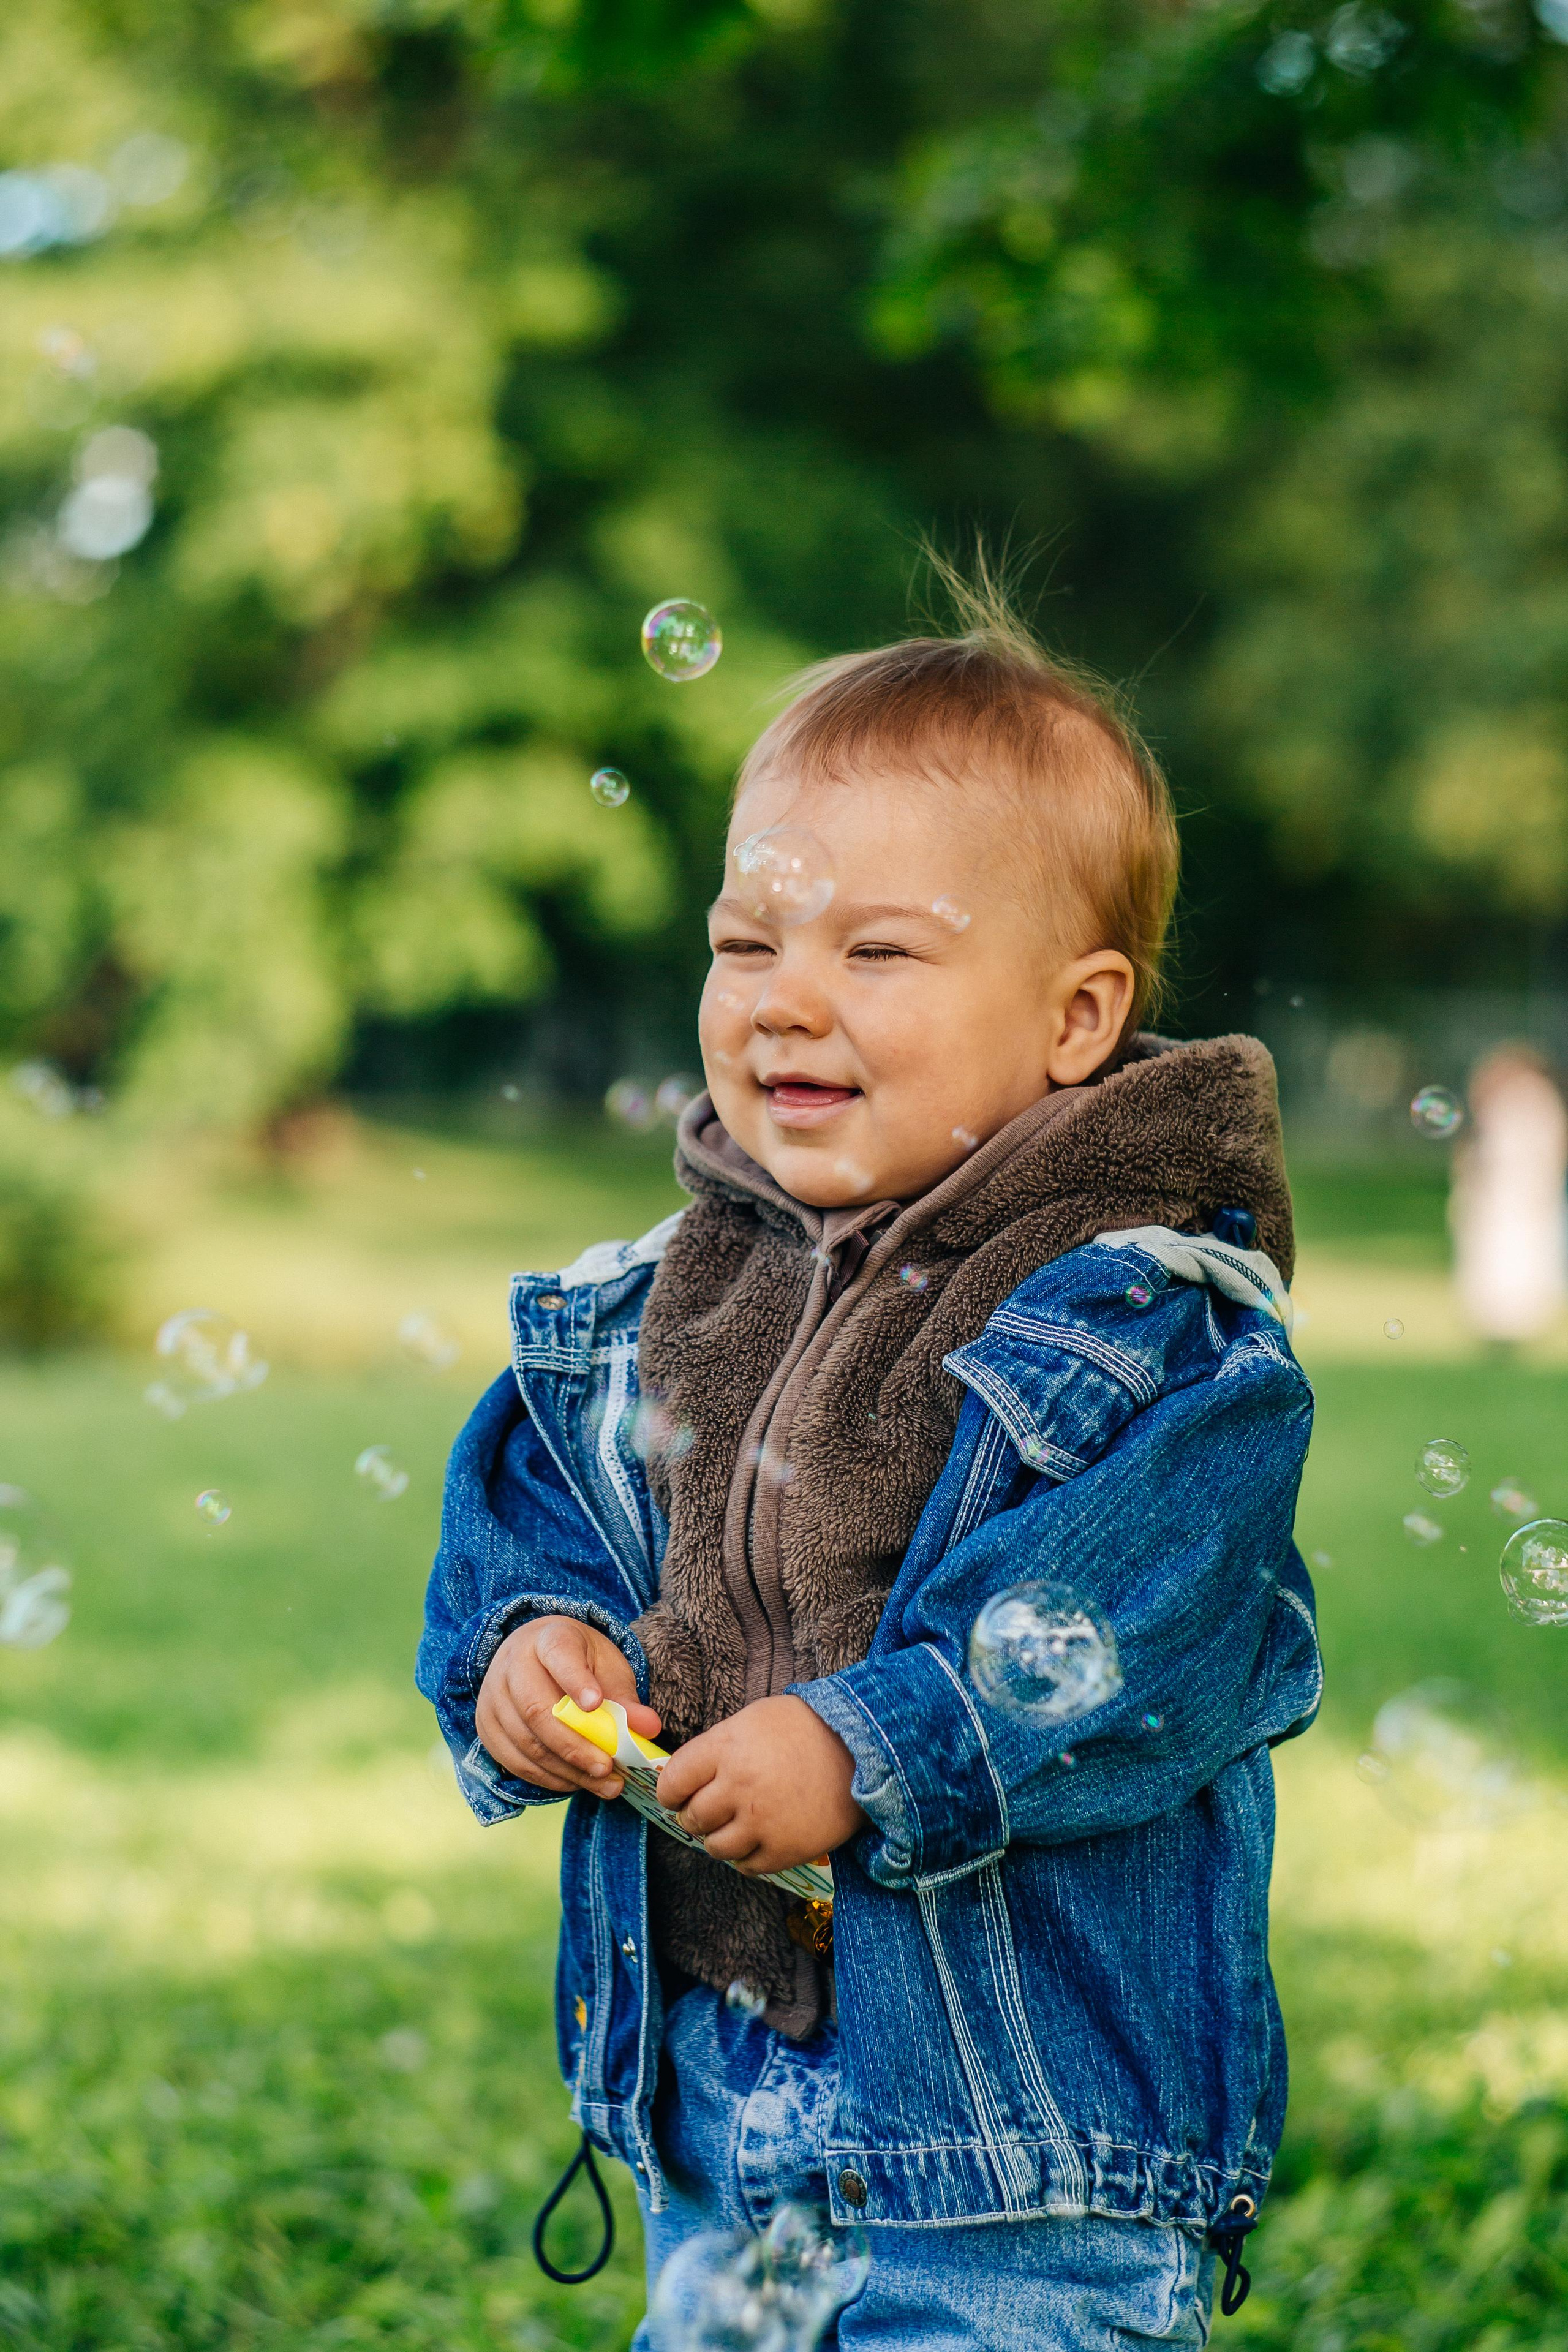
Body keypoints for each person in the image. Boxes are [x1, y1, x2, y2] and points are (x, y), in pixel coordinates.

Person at [417, 567, 1321, 2351]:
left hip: (1020, 2147)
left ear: (1076, 1021)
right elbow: (539, 1520)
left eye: (876, 951)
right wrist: (530, 1648)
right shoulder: (656, 1301)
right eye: (747, 943)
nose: (784, 998)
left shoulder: (1153, 1327)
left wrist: (870, 1743)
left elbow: (1144, 1622)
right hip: (720, 2106)